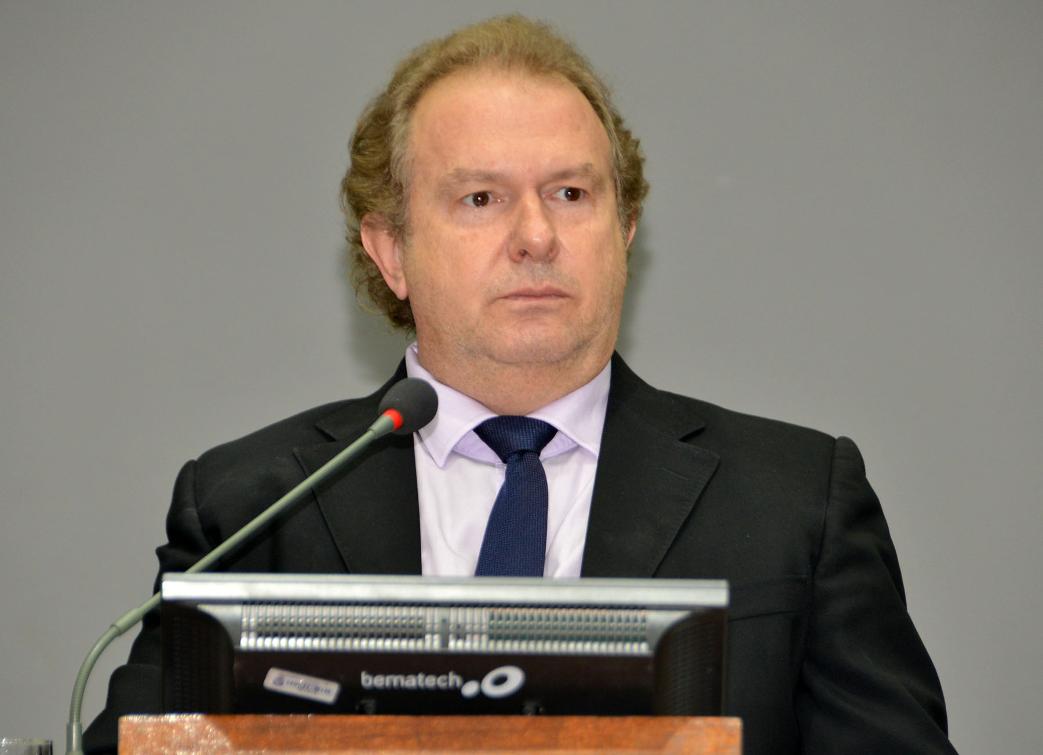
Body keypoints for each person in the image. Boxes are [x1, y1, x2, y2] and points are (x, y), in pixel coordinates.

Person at [85, 15, 955, 754]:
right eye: (480, 199)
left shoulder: (794, 500)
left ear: (624, 229)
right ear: (391, 250)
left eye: (571, 192)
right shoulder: (252, 507)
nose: (536, 235)